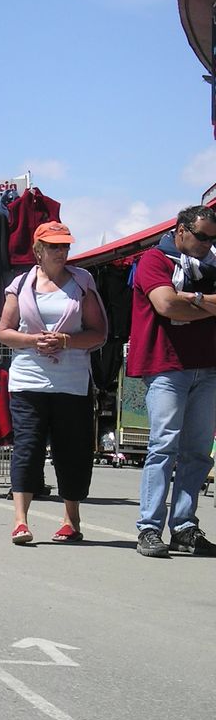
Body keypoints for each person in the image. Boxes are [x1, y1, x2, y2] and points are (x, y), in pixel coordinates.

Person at [0, 222, 107, 545]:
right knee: (27, 447)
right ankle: (20, 521)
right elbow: (4, 331)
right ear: (38, 250)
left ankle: (71, 519)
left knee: (72, 449)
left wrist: (66, 341)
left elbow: (98, 332)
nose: (61, 252)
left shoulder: (82, 282)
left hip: (71, 381)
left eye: (65, 246)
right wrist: (33, 340)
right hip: (28, 379)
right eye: (54, 246)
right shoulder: (20, 285)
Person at [127, 205, 216, 558]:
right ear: (181, 230)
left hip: (208, 367)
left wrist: (192, 298)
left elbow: (178, 304)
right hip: (166, 366)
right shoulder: (155, 260)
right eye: (202, 237)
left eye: (213, 239)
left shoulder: (212, 263)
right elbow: (166, 305)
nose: (208, 244)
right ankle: (149, 528)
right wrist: (207, 303)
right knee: (163, 447)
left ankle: (184, 527)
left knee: (197, 453)